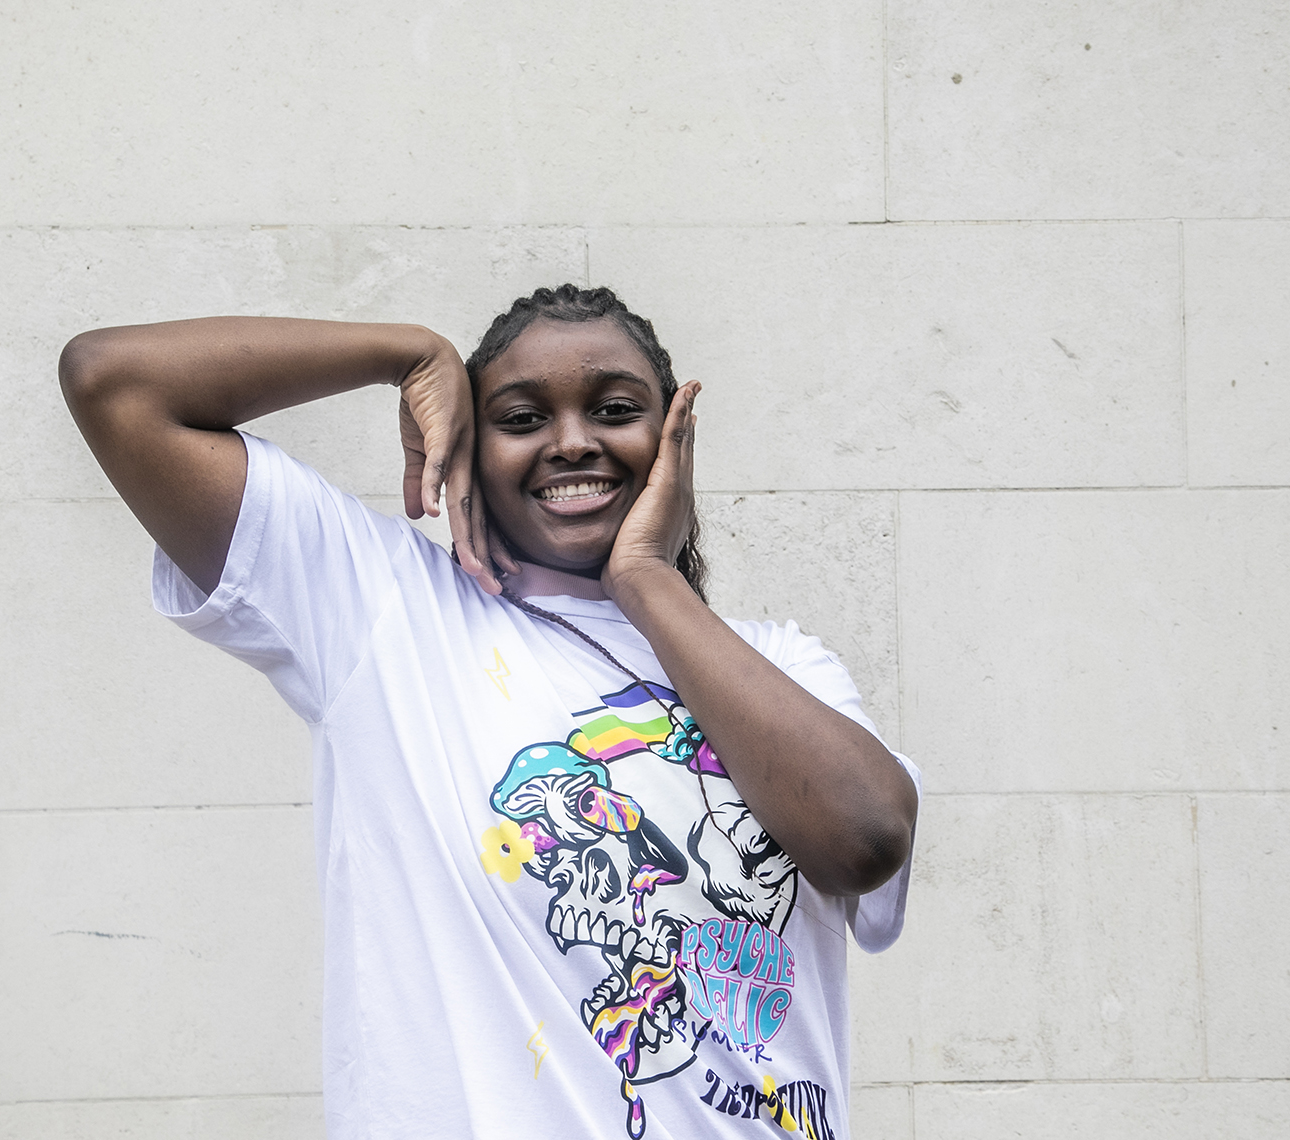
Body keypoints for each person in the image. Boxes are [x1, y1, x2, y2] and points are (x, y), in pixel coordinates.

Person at [59, 285, 920, 1140]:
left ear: (673, 437)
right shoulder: (384, 612)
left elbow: (865, 838)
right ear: (470, 447)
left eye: (615, 409)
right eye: (520, 418)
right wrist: (406, 354)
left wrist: (646, 578)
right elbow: (114, 383)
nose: (572, 441)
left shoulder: (783, 665)